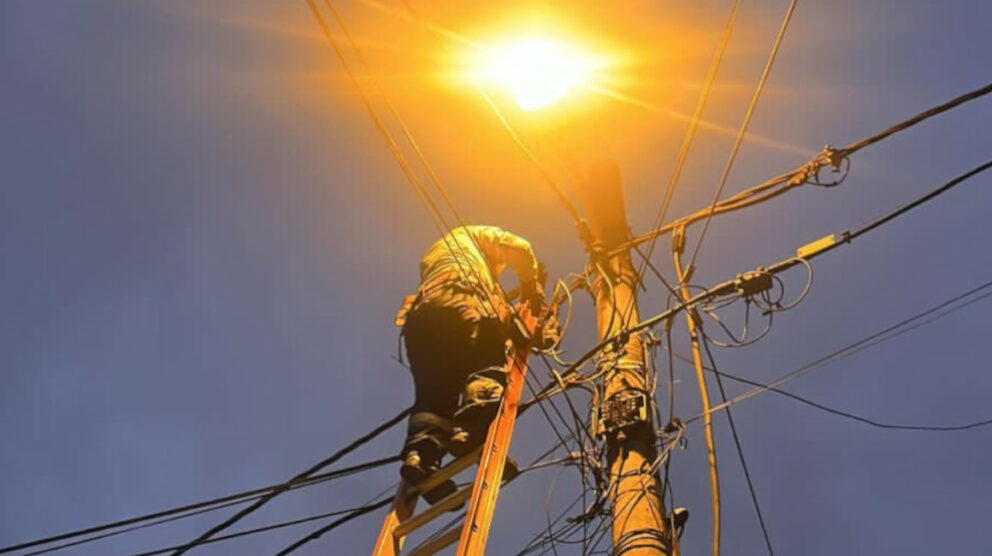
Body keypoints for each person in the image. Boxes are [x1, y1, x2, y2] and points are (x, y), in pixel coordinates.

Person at [394, 225, 554, 502]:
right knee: (487, 363)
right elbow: (521, 247)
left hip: (421, 319)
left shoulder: (436, 257)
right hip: (459, 298)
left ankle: (421, 459)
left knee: (434, 398)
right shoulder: (475, 236)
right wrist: (531, 286)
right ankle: (470, 433)